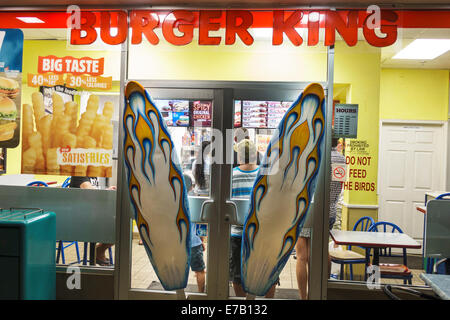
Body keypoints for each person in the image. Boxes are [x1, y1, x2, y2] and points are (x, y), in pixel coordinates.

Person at [295, 137, 345, 299]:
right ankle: (322, 292)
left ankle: (305, 297)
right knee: (323, 252)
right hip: (329, 212)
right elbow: (338, 186)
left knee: (302, 256)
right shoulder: (341, 159)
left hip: (309, 210)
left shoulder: (313, 155)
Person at [229, 139, 276, 298]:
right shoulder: (265, 175)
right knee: (267, 274)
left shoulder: (231, 175)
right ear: (256, 154)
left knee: (238, 276)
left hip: (237, 234)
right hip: (262, 234)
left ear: (239, 155)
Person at [69, 176, 116, 266]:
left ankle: (98, 251)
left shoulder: (96, 174)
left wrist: (107, 190)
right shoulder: (80, 171)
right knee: (116, 225)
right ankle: (98, 251)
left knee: (119, 224)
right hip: (80, 219)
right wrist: (105, 192)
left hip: (93, 214)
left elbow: (96, 194)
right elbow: (88, 190)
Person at [190, 223, 207, 293]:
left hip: (178, 242)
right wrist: (202, 240)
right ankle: (200, 295)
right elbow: (201, 222)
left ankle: (178, 293)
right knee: (200, 271)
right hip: (193, 242)